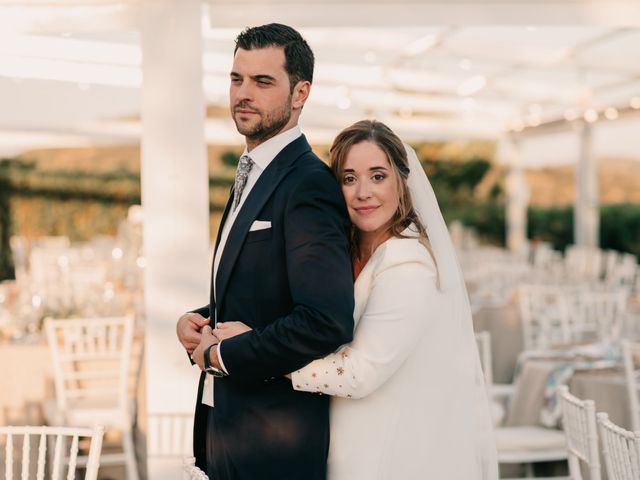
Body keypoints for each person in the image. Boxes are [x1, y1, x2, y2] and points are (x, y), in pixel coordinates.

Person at [214, 120, 499, 479]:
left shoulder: (409, 266)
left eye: (377, 176)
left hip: (386, 450)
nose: (363, 191)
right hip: (339, 442)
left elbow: (358, 373)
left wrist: (257, 350)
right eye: (349, 178)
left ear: (402, 179)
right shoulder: (345, 252)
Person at [175, 24, 355, 480]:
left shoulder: (308, 184)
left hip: (274, 441)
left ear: (301, 93)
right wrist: (201, 321)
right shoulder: (252, 169)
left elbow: (324, 320)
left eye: (262, 82)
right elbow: (262, 292)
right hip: (228, 427)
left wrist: (223, 355)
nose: (243, 94)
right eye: (237, 79)